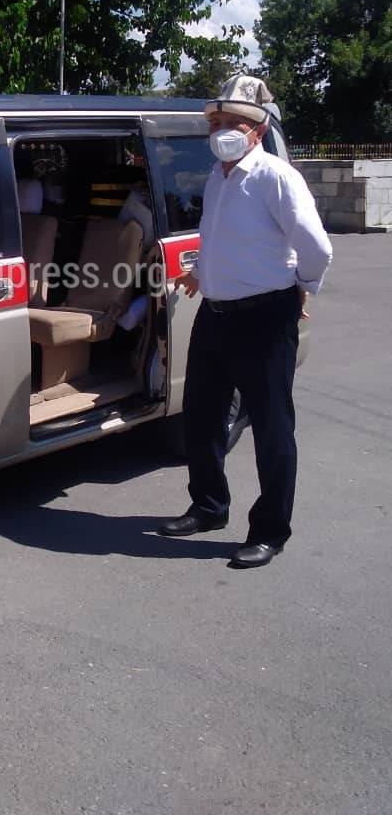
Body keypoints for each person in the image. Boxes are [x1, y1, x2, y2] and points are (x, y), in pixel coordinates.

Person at [158, 75, 333, 568]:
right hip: (215, 316)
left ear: (256, 129)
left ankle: (270, 530)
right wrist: (201, 274)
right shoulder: (218, 176)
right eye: (215, 122)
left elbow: (317, 247)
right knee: (202, 416)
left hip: (264, 321)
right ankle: (209, 506)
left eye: (232, 122)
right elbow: (220, 239)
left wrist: (301, 286)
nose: (220, 130)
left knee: (272, 429)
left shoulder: (276, 177)